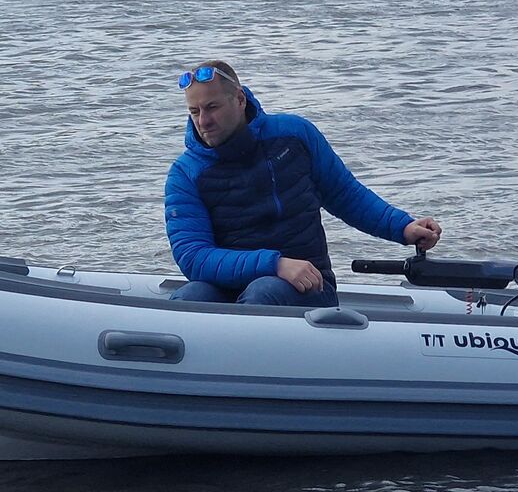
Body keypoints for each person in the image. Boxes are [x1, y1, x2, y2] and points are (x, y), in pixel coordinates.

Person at [164, 59, 442, 307]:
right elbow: (194, 257)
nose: (204, 121)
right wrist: (274, 264)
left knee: (264, 290)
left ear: (239, 100)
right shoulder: (185, 174)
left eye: (212, 107)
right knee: (191, 296)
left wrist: (402, 227)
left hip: (308, 284)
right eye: (194, 111)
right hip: (230, 285)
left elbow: (345, 194)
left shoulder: (294, 135)